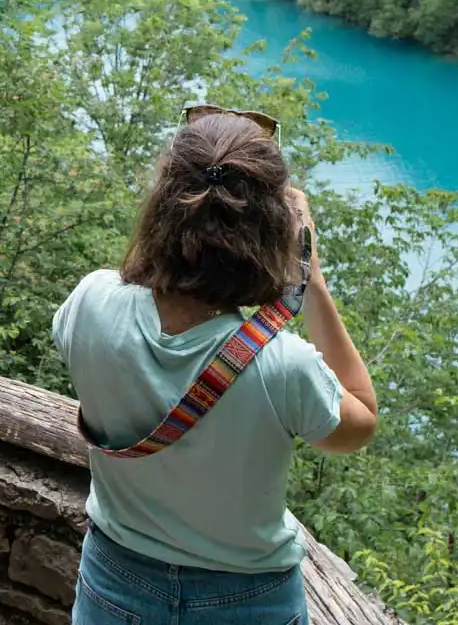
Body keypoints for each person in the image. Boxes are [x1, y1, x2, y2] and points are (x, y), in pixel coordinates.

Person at [53, 105, 379, 624]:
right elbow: (359, 422)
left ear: (162, 206)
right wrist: (309, 279)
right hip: (246, 602)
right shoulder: (281, 366)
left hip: (115, 581)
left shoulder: (90, 302)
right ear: (273, 230)